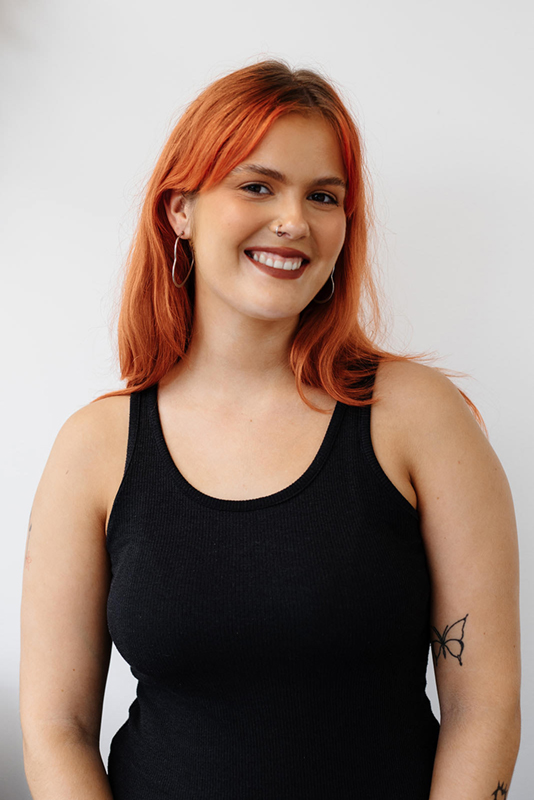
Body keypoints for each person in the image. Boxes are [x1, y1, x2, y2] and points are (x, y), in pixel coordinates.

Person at [20, 60, 521, 799]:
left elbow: (484, 709)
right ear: (180, 210)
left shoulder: (418, 417)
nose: (294, 220)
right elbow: (54, 728)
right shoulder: (93, 448)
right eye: (257, 186)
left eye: (323, 196)